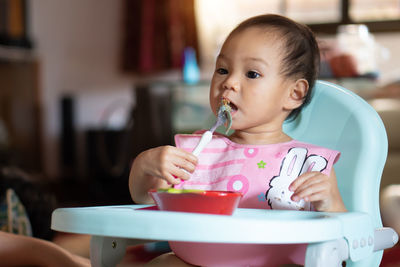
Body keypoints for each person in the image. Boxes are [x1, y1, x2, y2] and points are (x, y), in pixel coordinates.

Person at [129, 14, 347, 267]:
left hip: (279, 263)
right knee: (162, 263)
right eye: (222, 70)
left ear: (294, 93)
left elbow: (342, 238)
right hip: (197, 261)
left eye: (252, 74)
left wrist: (331, 203)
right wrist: (145, 166)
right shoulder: (197, 153)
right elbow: (143, 198)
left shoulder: (310, 164)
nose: (229, 83)